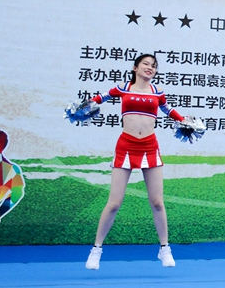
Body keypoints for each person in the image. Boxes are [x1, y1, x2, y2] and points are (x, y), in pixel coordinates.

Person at [76, 54, 189, 270]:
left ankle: (165, 248)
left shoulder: (157, 92)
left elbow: (169, 110)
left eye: (153, 66)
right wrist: (83, 107)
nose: (150, 67)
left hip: (149, 146)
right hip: (126, 146)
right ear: (135, 68)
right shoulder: (123, 88)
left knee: (157, 202)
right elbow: (100, 98)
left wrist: (186, 121)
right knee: (114, 203)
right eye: (146, 64)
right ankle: (96, 250)